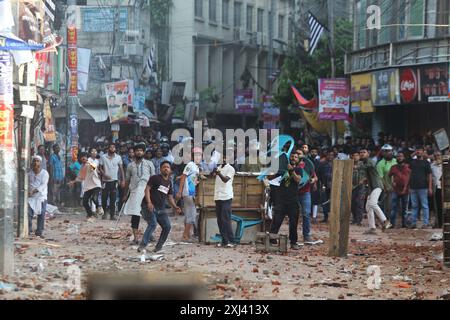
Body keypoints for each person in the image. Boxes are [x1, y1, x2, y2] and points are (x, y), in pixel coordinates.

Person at [138, 161, 182, 253]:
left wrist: (175, 206)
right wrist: (149, 202)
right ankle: (143, 245)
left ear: (170, 170)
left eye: (168, 167)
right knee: (153, 223)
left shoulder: (169, 182)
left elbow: (169, 197)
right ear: (160, 169)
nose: (166, 168)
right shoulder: (155, 178)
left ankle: (158, 247)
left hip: (160, 208)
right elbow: (147, 189)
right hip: (148, 206)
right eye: (164, 167)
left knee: (167, 227)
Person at [122, 143, 156, 244]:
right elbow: (127, 181)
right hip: (134, 192)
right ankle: (136, 238)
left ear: (144, 152)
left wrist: (154, 193)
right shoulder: (130, 165)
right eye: (137, 150)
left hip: (147, 192)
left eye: (141, 150)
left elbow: (153, 179)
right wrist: (125, 195)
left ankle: (149, 234)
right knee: (135, 215)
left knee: (149, 214)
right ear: (134, 152)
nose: (139, 152)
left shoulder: (149, 164)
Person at [269, 152, 302, 250]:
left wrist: (291, 171)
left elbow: (298, 180)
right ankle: (272, 239)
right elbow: (270, 177)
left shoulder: (298, 169)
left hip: (293, 200)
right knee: (276, 221)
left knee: (293, 223)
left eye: (296, 157)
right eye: (292, 156)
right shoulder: (281, 169)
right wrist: (276, 171)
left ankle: (293, 242)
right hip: (281, 199)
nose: (293, 158)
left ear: (298, 160)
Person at [359, 148, 392, 234]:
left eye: (364, 152)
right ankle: (372, 228)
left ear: (368, 154)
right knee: (368, 207)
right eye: (361, 152)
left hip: (377, 186)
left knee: (372, 204)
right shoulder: (365, 163)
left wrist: (355, 165)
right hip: (371, 188)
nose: (362, 154)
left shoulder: (370, 161)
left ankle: (385, 221)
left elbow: (368, 167)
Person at [177, 147, 202, 241]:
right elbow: (184, 177)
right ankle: (185, 236)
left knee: (188, 214)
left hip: (191, 193)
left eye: (200, 155)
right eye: (196, 155)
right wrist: (179, 191)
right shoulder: (190, 165)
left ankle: (187, 234)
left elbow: (192, 180)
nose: (198, 157)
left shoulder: (196, 167)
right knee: (192, 214)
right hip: (188, 193)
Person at [69, 153, 103, 222]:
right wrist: (73, 182)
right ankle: (90, 215)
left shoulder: (90, 162)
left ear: (87, 157)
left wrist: (88, 162)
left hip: (96, 184)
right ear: (80, 159)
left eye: (84, 157)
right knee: (84, 201)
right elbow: (80, 177)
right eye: (82, 157)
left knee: (94, 198)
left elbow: (94, 168)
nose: (83, 158)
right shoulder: (82, 166)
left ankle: (99, 207)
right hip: (88, 186)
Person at [213, 151, 236, 248]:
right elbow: (214, 174)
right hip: (218, 196)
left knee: (225, 219)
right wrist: (215, 171)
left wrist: (218, 173)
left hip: (226, 196)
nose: (223, 159)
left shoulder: (231, 168)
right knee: (220, 220)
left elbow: (225, 180)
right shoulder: (219, 167)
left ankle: (231, 241)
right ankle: (224, 241)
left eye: (225, 157)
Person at [409, 146, 433, 229]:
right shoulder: (413, 162)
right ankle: (413, 222)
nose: (419, 152)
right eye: (417, 150)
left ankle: (425, 223)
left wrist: (430, 187)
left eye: (420, 150)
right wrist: (408, 185)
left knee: (424, 205)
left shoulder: (426, 162)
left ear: (423, 152)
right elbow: (407, 160)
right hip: (413, 187)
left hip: (423, 187)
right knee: (414, 206)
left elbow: (429, 175)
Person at [100, 143, 125, 220]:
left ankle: (112, 215)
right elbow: (100, 167)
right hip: (105, 181)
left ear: (115, 149)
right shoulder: (103, 157)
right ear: (108, 148)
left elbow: (121, 169)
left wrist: (123, 180)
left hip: (114, 181)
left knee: (113, 199)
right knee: (104, 198)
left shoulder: (118, 157)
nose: (112, 148)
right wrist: (104, 174)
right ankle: (104, 213)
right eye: (110, 147)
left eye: (113, 147)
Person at [296, 150, 317, 243]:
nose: (299, 155)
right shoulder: (292, 166)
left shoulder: (308, 165)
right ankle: (293, 236)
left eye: (300, 154)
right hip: (294, 193)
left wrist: (313, 180)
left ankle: (306, 235)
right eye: (297, 154)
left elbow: (315, 177)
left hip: (305, 192)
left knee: (306, 213)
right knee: (293, 215)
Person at [28, 156, 49, 238]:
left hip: (41, 196)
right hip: (31, 197)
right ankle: (28, 229)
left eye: (37, 161)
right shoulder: (29, 173)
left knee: (41, 213)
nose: (36, 163)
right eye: (34, 161)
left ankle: (39, 231)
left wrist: (33, 191)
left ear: (40, 163)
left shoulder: (44, 173)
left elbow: (43, 185)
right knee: (28, 213)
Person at [388, 152, 411, 228]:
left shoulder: (408, 167)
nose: (399, 158)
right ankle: (392, 224)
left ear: (404, 158)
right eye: (398, 156)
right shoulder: (393, 167)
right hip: (395, 190)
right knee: (393, 208)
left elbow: (410, 178)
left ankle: (404, 224)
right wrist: (391, 183)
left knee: (405, 209)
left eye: (401, 156)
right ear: (396, 158)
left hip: (406, 190)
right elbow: (388, 176)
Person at [377, 144, 397, 216]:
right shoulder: (380, 164)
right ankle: (387, 220)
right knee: (388, 206)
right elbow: (380, 178)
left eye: (389, 151)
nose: (388, 153)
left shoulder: (396, 160)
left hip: (398, 188)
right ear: (382, 153)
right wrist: (385, 187)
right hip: (388, 189)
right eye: (386, 151)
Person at [317, 151, 334, 223]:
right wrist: (321, 184)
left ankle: (333, 217)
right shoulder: (322, 164)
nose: (330, 156)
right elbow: (319, 175)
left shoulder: (336, 164)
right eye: (329, 155)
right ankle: (325, 217)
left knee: (334, 202)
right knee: (324, 201)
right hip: (324, 185)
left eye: (332, 155)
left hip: (334, 186)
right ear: (326, 155)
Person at [351, 150, 366, 226]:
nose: (355, 157)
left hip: (360, 186)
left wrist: (363, 180)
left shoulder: (363, 164)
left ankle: (359, 220)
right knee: (352, 203)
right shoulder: (349, 165)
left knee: (359, 202)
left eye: (357, 155)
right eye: (354, 155)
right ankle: (354, 218)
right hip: (351, 186)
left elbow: (367, 175)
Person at [431, 152, 443, 228]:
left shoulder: (445, 165)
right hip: (437, 188)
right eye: (436, 156)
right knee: (438, 207)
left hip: (445, 188)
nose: (437, 157)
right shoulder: (432, 166)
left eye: (438, 155)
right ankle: (439, 223)